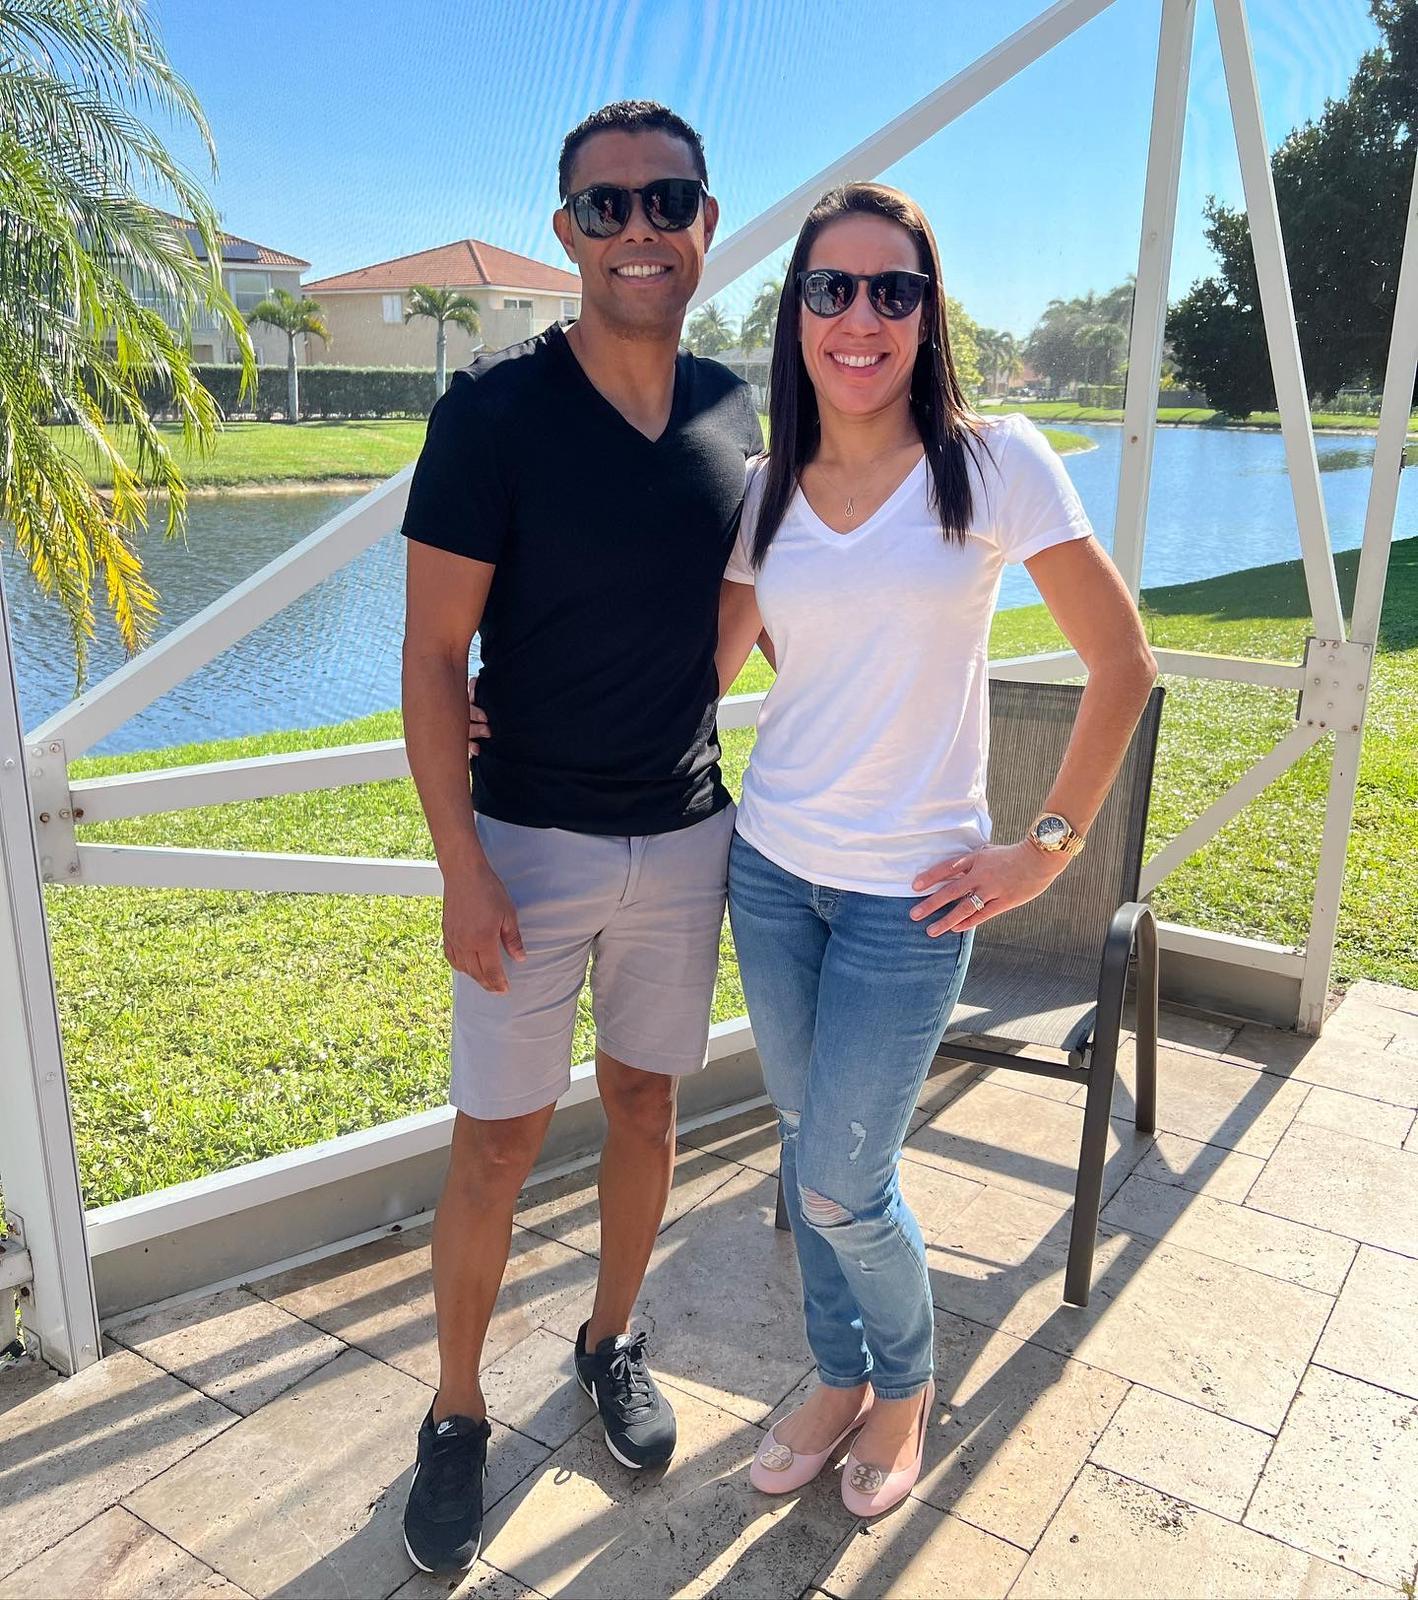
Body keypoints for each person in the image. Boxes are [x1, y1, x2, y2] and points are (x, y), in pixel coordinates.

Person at [712, 182, 1157, 1517]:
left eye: (890, 290)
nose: (860, 316)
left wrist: (1043, 852)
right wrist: (520, 701)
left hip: (912, 900)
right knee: (810, 1147)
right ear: (795, 312)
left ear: (926, 313)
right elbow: (700, 669)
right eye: (830, 288)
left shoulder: (995, 461)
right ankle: (834, 1375)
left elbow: (1121, 664)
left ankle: (902, 1391)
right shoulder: (764, 487)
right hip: (770, 872)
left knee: (845, 1182)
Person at [398, 100, 760, 1575]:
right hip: (528, 845)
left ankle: (610, 1341)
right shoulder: (492, 414)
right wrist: (462, 867)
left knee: (647, 1109)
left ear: (704, 222)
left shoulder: (736, 408)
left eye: (666, 201)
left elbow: (741, 595)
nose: (637, 230)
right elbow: (434, 658)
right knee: (494, 1142)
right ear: (567, 232)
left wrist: (690, 695)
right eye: (606, 206)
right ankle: (455, 1412)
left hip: (685, 836)